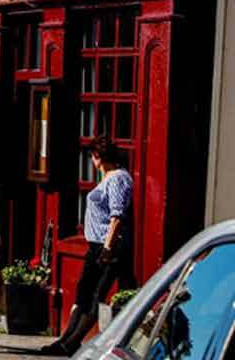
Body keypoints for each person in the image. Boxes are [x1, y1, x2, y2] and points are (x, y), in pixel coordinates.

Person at [40, 138, 133, 356]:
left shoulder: (118, 178)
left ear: (98, 157)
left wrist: (108, 247)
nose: (91, 161)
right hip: (95, 244)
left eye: (92, 156)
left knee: (95, 295)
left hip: (107, 245)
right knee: (83, 292)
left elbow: (117, 215)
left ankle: (72, 343)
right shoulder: (107, 177)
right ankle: (65, 340)